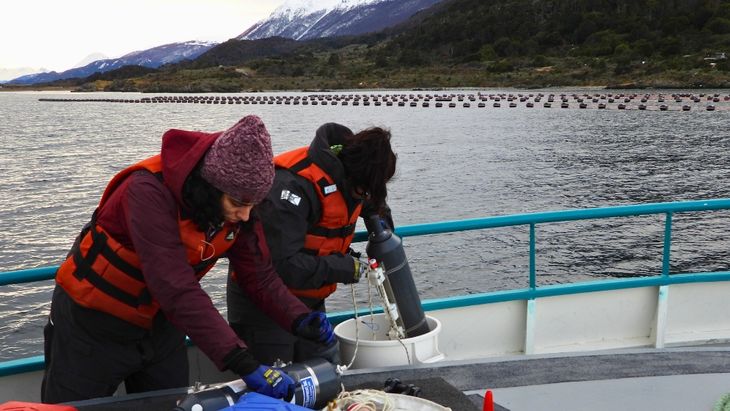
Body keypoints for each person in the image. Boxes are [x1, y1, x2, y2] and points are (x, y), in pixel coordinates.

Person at [41, 115, 335, 403]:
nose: (246, 215)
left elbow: (259, 277)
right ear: (211, 186)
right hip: (90, 325)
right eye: (238, 203)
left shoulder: (239, 207)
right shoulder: (145, 192)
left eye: (253, 205)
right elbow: (175, 287)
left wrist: (300, 319)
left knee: (170, 404)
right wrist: (242, 361)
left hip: (160, 328)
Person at [227, 123, 396, 365]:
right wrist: (344, 268)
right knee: (276, 391)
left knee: (321, 379)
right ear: (352, 175)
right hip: (265, 309)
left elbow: (370, 200)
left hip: (311, 302)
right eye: (365, 190)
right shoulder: (292, 186)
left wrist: (380, 224)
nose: (366, 196)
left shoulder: (353, 179)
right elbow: (278, 266)